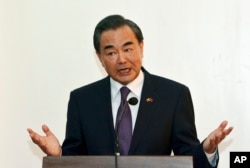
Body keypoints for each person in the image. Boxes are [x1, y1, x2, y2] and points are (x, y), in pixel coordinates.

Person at [27, 14, 233, 168]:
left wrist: (207, 150)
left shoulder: (173, 95)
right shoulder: (82, 100)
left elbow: (187, 158)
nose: (122, 59)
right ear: (100, 57)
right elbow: (76, 159)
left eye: (128, 49)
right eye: (111, 52)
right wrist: (58, 154)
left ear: (141, 47)